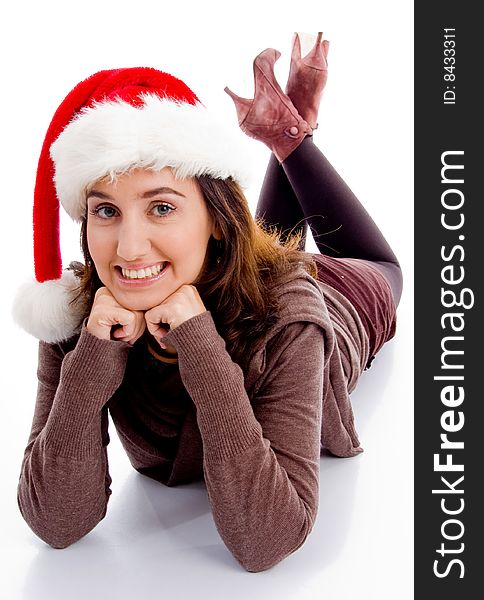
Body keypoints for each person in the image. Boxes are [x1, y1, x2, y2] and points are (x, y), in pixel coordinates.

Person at [13, 33, 402, 573]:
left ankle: (291, 141)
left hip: (334, 299)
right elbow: (54, 522)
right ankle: (281, 136)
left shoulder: (291, 321)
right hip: (233, 264)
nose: (128, 249)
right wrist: (92, 359)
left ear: (218, 218)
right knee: (265, 243)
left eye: (162, 208)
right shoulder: (82, 317)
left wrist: (199, 344)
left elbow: (266, 542)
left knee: (386, 271)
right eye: (105, 212)